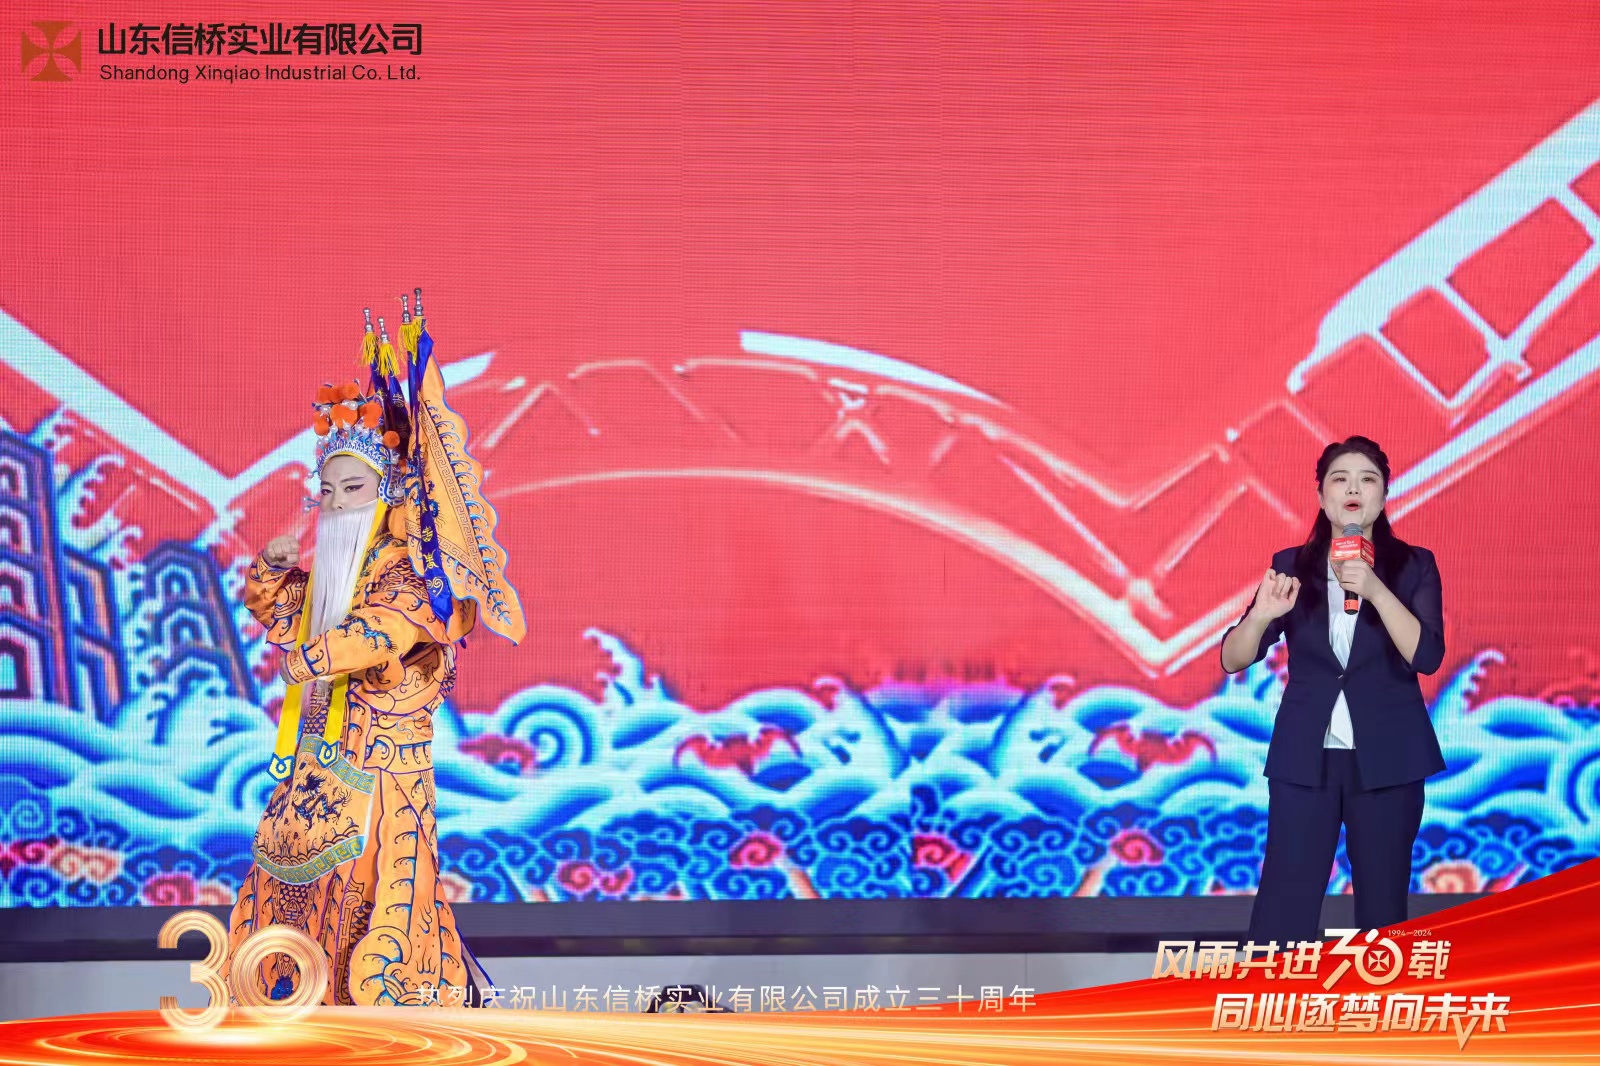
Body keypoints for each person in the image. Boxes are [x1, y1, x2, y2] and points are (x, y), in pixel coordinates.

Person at [221, 298, 526, 1006]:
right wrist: (270, 572)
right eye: (327, 491)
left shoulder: (414, 580)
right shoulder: (338, 577)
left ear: (388, 495)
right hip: (315, 773)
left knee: (374, 915)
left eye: (352, 489)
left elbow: (380, 633)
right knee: (284, 885)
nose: (335, 504)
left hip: (383, 783)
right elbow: (282, 613)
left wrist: (312, 659)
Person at [1220, 435, 1446, 948]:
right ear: (1321, 496)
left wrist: (1375, 590)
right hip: (1305, 758)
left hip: (1389, 761)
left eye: (1368, 479)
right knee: (1284, 903)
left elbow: (1427, 657)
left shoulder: (1415, 565)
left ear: (1384, 495)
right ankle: (1274, 996)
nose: (1354, 490)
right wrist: (1260, 616)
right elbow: (1233, 659)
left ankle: (1379, 997)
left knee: (1383, 909)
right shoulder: (1291, 565)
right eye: (1340, 479)